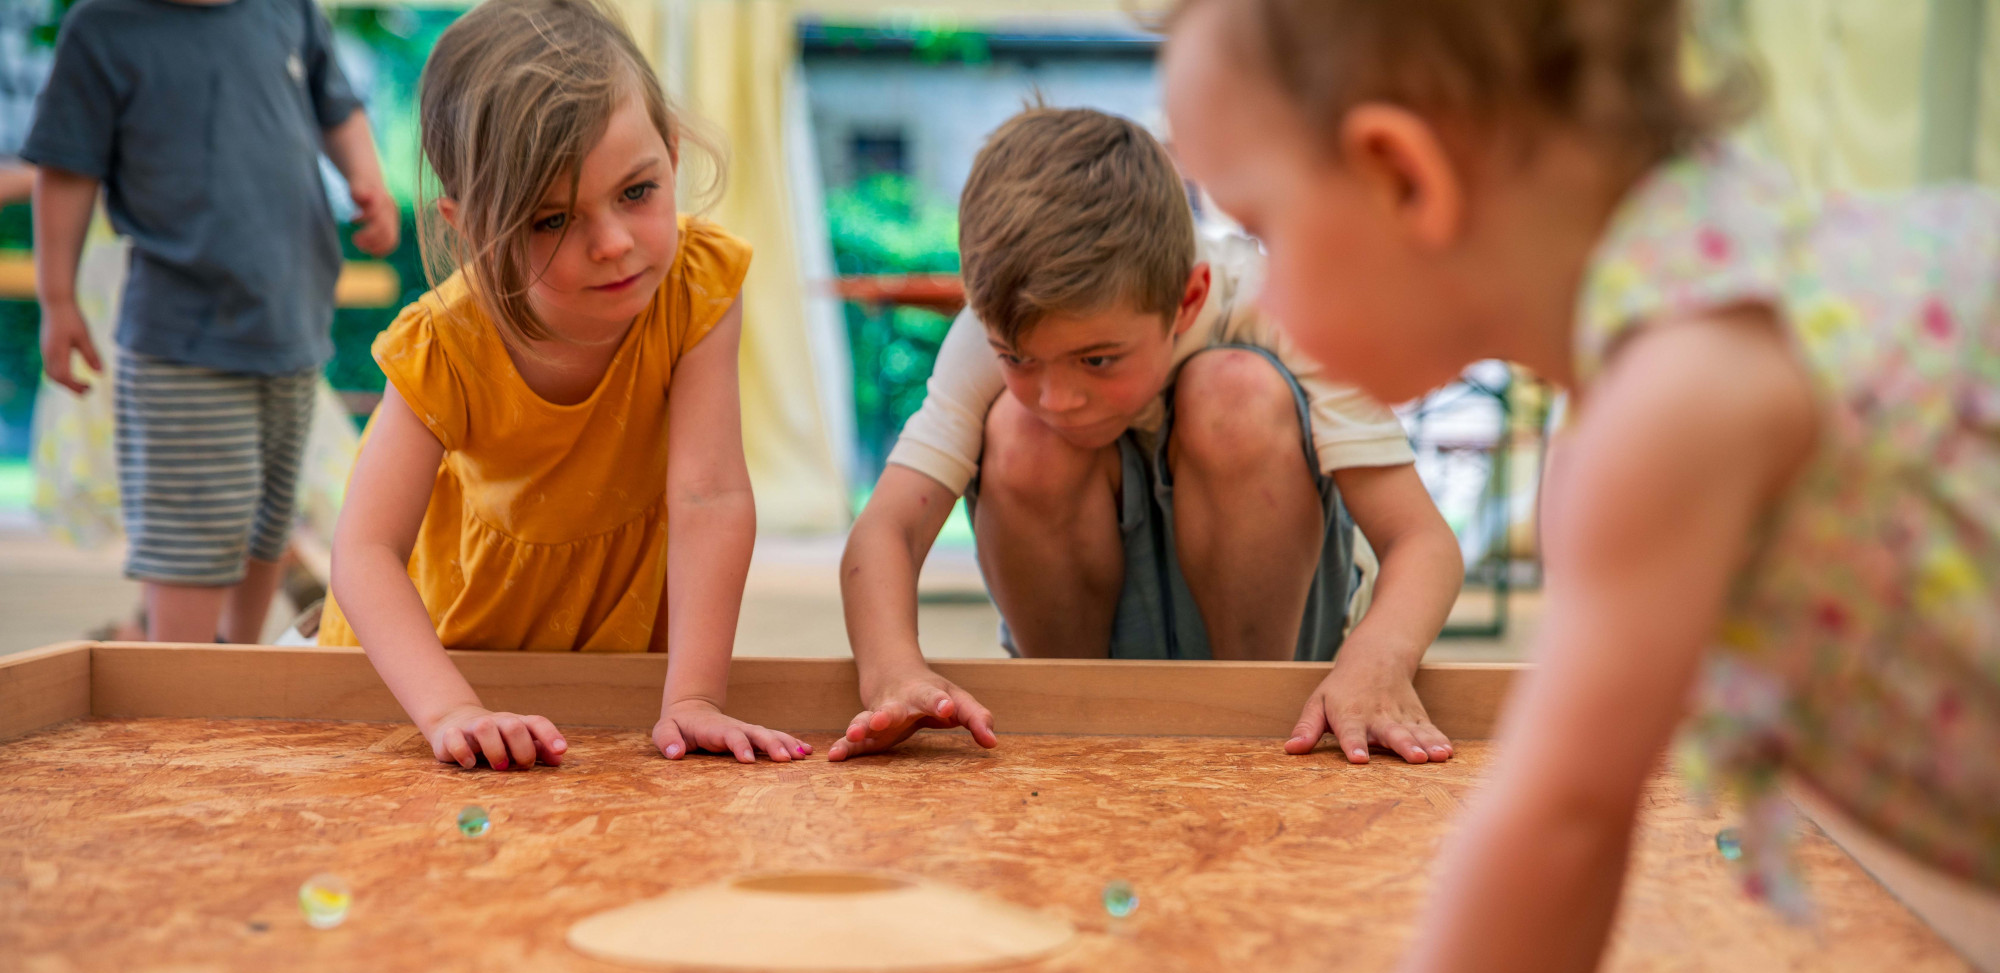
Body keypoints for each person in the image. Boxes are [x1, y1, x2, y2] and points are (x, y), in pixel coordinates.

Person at [1163, 0, 2000, 973]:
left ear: (1401, 177)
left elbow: (1553, 811)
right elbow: (1586, 807)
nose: (1259, 289)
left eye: (1261, 224)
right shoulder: (1665, 344)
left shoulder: (1673, 397)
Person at [832, 107, 1465, 764]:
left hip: (1284, 645)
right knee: (1023, 431)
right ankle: (1073, 715)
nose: (1059, 398)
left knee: (1233, 394)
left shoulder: (1281, 302)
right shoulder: (987, 335)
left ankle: (1255, 713)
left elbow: (1422, 538)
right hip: (1083, 642)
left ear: (1188, 300)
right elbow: (886, 530)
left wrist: (1377, 659)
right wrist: (893, 673)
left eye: (1098, 359)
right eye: (1018, 359)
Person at [318, 0, 808, 773]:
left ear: (672, 153)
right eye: (550, 220)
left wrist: (694, 698)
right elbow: (366, 550)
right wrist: (451, 708)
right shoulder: (443, 343)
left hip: (611, 670)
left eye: (637, 193)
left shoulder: (698, 286)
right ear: (471, 224)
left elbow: (709, 494)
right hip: (435, 673)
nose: (613, 243)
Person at [24, 0, 398, 644]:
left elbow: (336, 108)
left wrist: (366, 176)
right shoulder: (108, 26)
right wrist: (58, 301)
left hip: (289, 330)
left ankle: (231, 668)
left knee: (267, 525)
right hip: (183, 341)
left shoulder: (286, 10)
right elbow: (65, 168)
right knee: (192, 539)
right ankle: (181, 685)